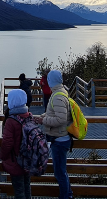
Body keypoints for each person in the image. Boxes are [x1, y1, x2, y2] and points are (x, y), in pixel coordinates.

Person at [34, 70, 73, 199]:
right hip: (59, 138)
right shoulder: (59, 93)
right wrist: (41, 117)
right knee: (62, 172)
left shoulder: (57, 96)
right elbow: (52, 112)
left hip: (60, 139)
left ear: (51, 81)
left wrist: (43, 121)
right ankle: (68, 195)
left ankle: (65, 197)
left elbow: (60, 119)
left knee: (60, 173)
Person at [0, 89, 32, 199]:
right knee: (27, 187)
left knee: (19, 191)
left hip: (16, 161)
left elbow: (7, 142)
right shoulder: (29, 116)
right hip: (28, 159)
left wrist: (2, 157)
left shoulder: (10, 121)